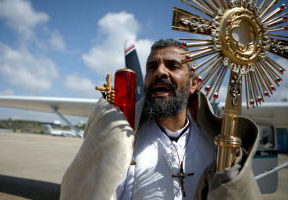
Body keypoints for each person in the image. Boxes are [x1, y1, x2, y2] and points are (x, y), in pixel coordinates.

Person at [60, 39, 261, 200]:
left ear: (194, 84)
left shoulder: (218, 148)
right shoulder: (122, 143)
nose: (160, 72)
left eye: (172, 66)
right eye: (151, 67)